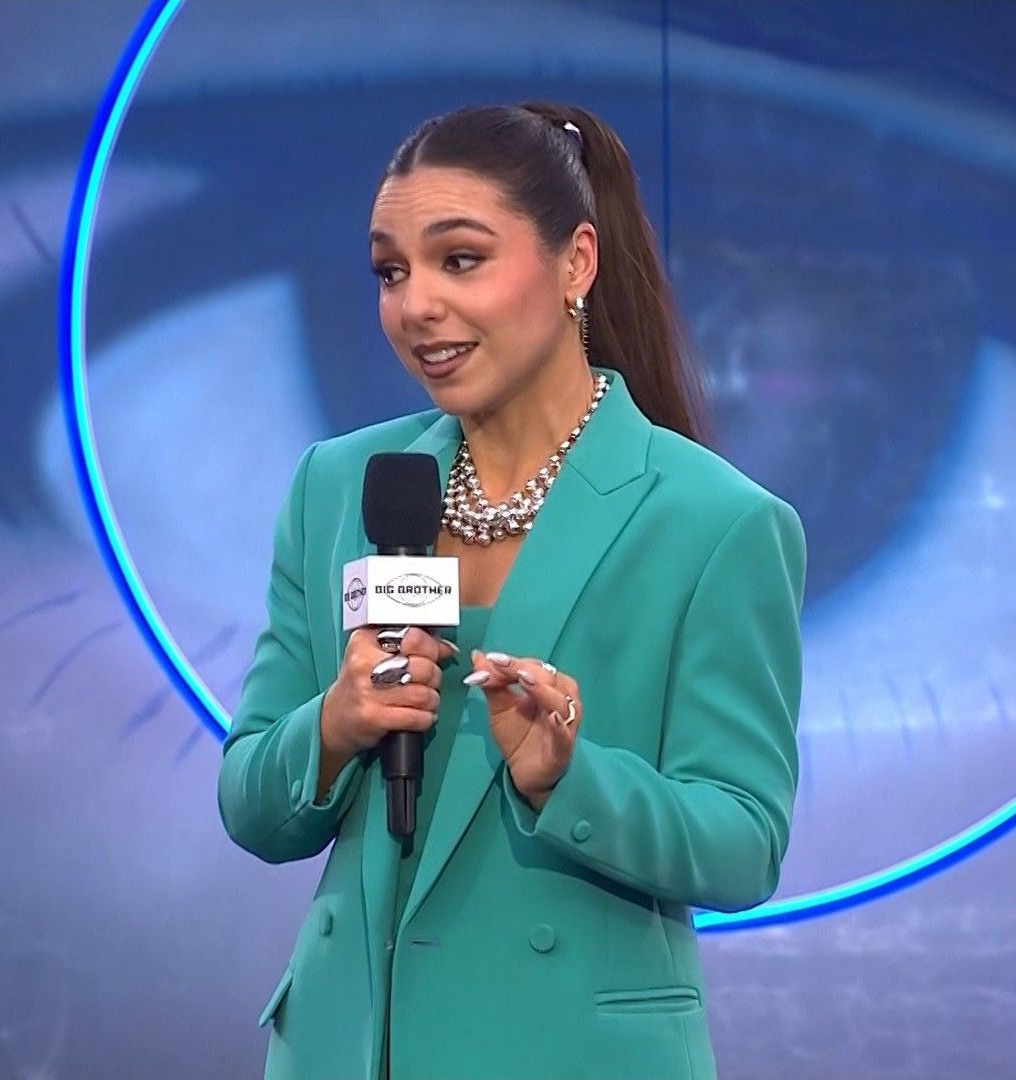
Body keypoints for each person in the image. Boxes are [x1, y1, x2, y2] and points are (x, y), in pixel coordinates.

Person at [217, 100, 807, 1080]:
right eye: (391, 272)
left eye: (460, 260)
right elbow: (250, 801)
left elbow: (744, 844)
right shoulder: (340, 487)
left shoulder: (716, 522)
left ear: (576, 263)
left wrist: (570, 779)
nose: (416, 306)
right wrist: (334, 725)